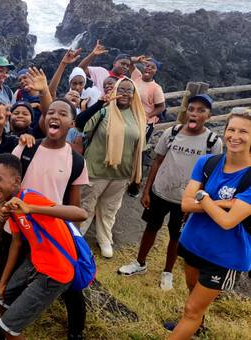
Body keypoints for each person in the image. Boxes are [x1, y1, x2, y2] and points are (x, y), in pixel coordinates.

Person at [118, 94, 222, 291]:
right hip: (160, 192)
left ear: (209, 116)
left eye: (201, 111)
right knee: (151, 226)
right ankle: (140, 263)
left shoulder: (212, 141)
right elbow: (157, 161)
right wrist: (147, 191)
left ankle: (168, 272)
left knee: (175, 235)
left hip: (185, 199)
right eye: (191, 109)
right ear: (186, 112)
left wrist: (196, 205)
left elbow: (209, 176)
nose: (195, 114)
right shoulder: (172, 132)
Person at [164, 109, 251, 339]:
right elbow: (184, 203)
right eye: (231, 129)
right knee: (193, 291)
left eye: (244, 131)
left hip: (225, 256)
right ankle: (195, 327)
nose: (235, 136)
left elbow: (227, 222)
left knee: (192, 308)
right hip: (194, 243)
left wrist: (203, 196)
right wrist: (222, 203)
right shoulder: (208, 163)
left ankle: (191, 323)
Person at [7, 99, 90, 339]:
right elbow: (7, 185)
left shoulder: (76, 160)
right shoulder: (26, 148)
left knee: (70, 288)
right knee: (14, 276)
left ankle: (76, 332)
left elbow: (74, 205)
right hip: (18, 230)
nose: (55, 116)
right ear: (43, 120)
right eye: (50, 112)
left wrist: (73, 240)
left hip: (52, 233)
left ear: (72, 123)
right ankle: (10, 322)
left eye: (63, 114)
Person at [0, 153, 88, 340]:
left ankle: (8, 329)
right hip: (35, 262)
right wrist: (2, 280)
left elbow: (81, 214)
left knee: (9, 329)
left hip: (56, 272)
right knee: (1, 296)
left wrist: (30, 208)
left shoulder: (29, 199)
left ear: (16, 181)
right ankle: (6, 329)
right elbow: (16, 244)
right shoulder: (11, 206)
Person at [76, 77, 146, 258]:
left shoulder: (138, 116)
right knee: (86, 206)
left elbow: (139, 148)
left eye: (129, 90)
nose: (125, 93)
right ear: (114, 90)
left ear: (133, 95)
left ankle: (104, 239)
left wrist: (136, 176)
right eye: (121, 89)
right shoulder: (103, 112)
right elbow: (79, 124)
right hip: (96, 171)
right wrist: (99, 104)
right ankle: (76, 239)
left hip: (121, 174)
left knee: (109, 210)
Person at [129, 56, 165, 142]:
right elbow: (129, 61)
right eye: (147, 66)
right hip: (130, 117)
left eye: (153, 67)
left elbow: (161, 107)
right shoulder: (136, 76)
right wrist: (137, 60)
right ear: (143, 67)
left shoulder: (156, 88)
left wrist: (148, 116)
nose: (149, 68)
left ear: (156, 72)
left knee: (139, 147)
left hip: (145, 122)